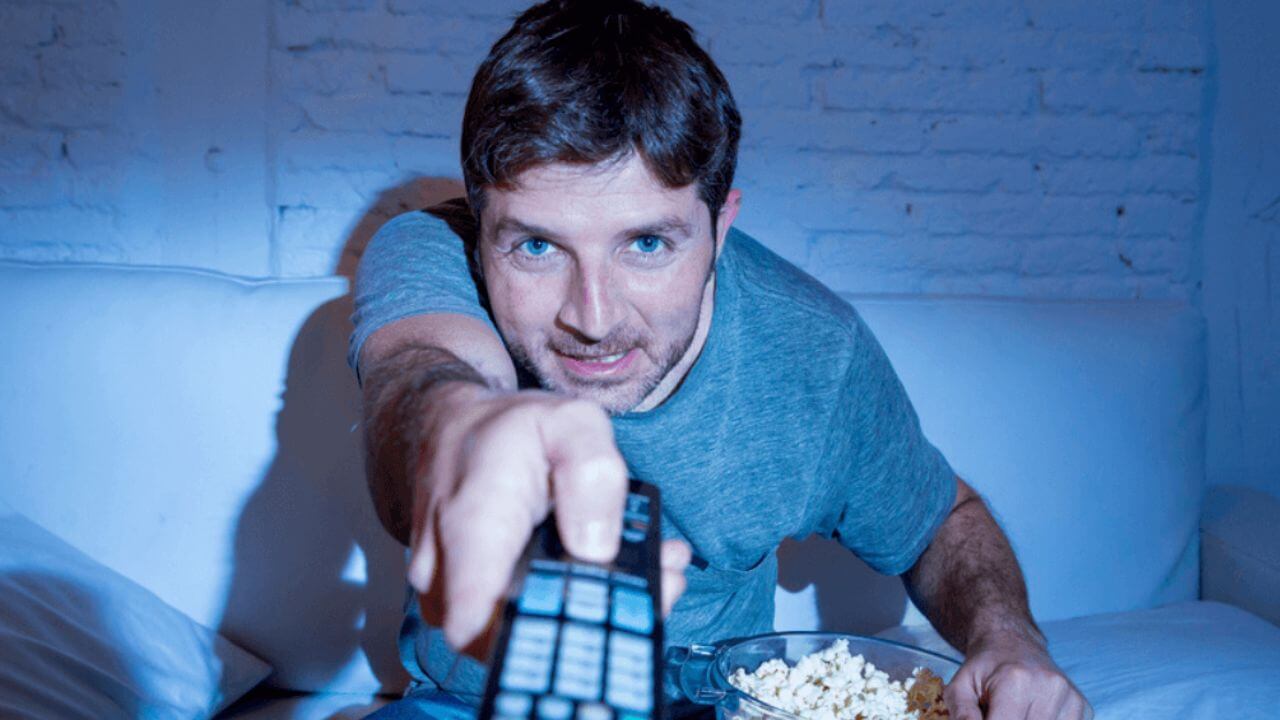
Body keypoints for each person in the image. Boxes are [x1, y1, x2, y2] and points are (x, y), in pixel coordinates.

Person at [351, 1, 1091, 718]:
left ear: (721, 224)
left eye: (647, 244)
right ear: (481, 230)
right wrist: (460, 427)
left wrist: (1009, 639)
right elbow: (418, 371)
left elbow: (942, 520)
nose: (592, 318)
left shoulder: (814, 352)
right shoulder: (430, 250)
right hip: (465, 703)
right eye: (536, 247)